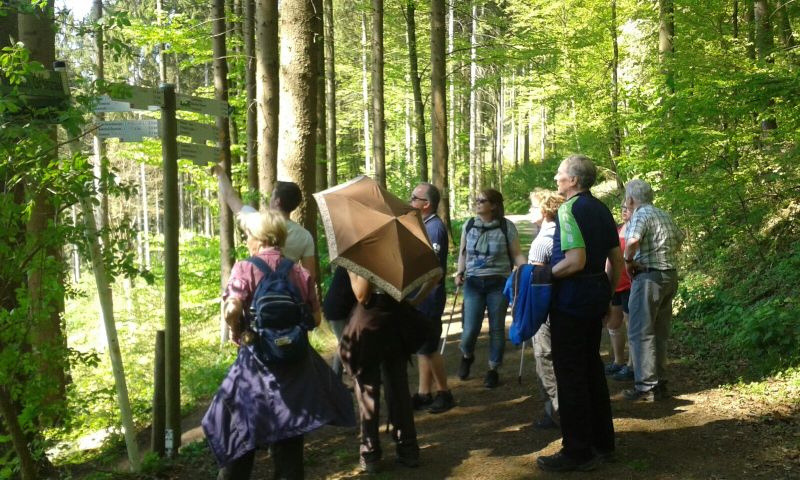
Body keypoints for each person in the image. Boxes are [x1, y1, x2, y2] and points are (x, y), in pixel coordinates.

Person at [202, 209, 354, 480]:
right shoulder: (299, 272)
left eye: (247, 234)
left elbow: (232, 308)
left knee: (238, 427)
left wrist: (234, 323)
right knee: (289, 432)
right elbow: (316, 318)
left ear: (258, 238)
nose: (246, 239)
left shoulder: (244, 267)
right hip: (294, 365)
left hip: (255, 362)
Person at [536, 154, 623, 473]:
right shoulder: (601, 209)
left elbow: (574, 260)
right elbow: (617, 261)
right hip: (594, 295)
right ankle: (603, 442)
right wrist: (608, 296)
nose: (556, 178)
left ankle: (577, 451)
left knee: (570, 374)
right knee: (591, 369)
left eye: (560, 174)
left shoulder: (569, 209)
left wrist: (544, 275)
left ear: (573, 180)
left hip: (571, 301)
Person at [339, 271, 439, 474]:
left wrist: (351, 271)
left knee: (368, 389)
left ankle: (371, 454)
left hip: (370, 323)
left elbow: (362, 294)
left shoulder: (368, 247)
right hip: (397, 319)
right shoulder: (400, 242)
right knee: (399, 388)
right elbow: (435, 274)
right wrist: (414, 300)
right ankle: (408, 450)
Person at [455, 189, 527, 389]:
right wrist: (459, 272)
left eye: (482, 200)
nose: (477, 203)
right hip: (473, 283)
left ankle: (493, 369)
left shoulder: (506, 227)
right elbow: (463, 254)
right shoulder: (469, 225)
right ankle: (467, 355)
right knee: (470, 329)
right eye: (476, 200)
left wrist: (526, 270)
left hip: (498, 283)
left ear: (494, 205)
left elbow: (517, 255)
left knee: (496, 328)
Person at [622, 179, 683, 402]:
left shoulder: (640, 214)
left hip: (649, 277)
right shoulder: (664, 214)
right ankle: (660, 383)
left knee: (640, 331)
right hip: (670, 275)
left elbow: (632, 241)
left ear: (630, 199)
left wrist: (628, 260)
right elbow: (679, 239)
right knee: (660, 332)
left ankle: (646, 387)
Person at [210, 165, 316, 280]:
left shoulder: (257, 222)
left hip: (257, 289)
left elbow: (229, 196)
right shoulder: (305, 236)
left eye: (272, 196)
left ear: (277, 201)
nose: (270, 199)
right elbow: (309, 276)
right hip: (287, 292)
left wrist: (220, 172)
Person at [408, 182, 455, 414]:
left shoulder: (434, 228)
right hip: (419, 296)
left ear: (426, 204)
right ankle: (423, 392)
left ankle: (444, 392)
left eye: (414, 198)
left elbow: (434, 271)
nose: (410, 201)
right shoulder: (423, 225)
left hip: (429, 297)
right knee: (422, 347)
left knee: (430, 347)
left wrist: (419, 297)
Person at [527, 189, 564, 430]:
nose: (529, 211)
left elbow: (537, 281)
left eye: (531, 207)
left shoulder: (542, 241)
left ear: (543, 211)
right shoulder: (561, 234)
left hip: (545, 310)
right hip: (561, 307)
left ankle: (557, 413)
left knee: (545, 358)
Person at [606, 202, 634, 381]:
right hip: (614, 283)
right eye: (623, 208)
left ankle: (632, 365)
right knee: (613, 323)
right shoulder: (617, 229)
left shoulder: (637, 230)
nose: (625, 210)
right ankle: (618, 361)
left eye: (628, 208)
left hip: (631, 284)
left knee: (631, 326)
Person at [321, 266, 356, 378]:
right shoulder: (353, 264)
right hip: (337, 310)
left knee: (345, 343)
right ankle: (335, 378)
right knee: (344, 343)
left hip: (338, 308)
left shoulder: (348, 262)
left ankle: (342, 375)